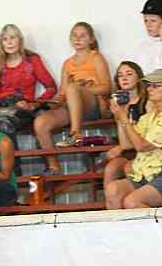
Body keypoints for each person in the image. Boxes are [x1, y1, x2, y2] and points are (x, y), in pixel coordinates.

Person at [34, 22, 111, 174]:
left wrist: (81, 89)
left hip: (94, 105)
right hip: (72, 105)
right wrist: (53, 102)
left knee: (73, 88)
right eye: (74, 35)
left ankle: (76, 133)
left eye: (82, 36)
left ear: (91, 40)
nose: (78, 39)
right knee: (40, 122)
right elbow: (63, 94)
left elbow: (107, 87)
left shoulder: (96, 57)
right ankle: (54, 167)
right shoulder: (67, 63)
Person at [104, 69, 162, 209]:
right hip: (142, 174)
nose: (149, 89)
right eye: (149, 85)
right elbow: (126, 144)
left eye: (156, 85)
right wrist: (120, 116)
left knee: (132, 202)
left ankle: (155, 224)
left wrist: (124, 119)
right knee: (113, 190)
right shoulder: (148, 117)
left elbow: (141, 146)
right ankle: (120, 225)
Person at [0, 24, 57, 138]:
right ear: (1, 43)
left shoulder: (32, 59)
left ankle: (9, 150)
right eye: (5, 39)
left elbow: (52, 88)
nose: (9, 42)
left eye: (12, 38)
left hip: (22, 105)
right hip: (1, 105)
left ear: (20, 40)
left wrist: (35, 104)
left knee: (4, 124)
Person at [101, 61, 148, 189]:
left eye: (129, 74)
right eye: (120, 75)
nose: (124, 78)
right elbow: (125, 143)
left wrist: (121, 147)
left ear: (138, 77)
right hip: (128, 150)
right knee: (111, 169)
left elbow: (147, 136)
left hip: (146, 150)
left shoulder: (147, 102)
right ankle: (110, 201)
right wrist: (119, 115)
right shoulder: (118, 103)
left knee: (130, 168)